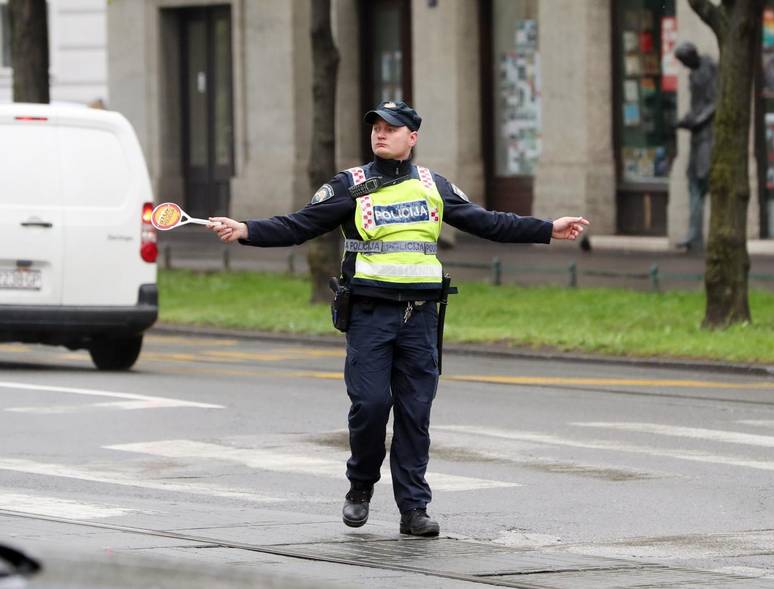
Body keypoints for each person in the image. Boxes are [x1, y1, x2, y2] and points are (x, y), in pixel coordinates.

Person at [208, 100, 588, 536]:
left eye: (392, 128)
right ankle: (360, 486)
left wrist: (546, 229)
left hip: (421, 317)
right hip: (369, 315)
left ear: (413, 137)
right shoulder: (352, 184)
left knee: (414, 413)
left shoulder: (432, 185)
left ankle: (414, 508)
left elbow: (487, 222)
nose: (380, 134)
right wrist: (246, 230)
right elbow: (299, 225)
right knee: (370, 406)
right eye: (375, 127)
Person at [674, 41, 718, 253]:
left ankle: (707, 235)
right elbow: (698, 105)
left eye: (685, 61)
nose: (685, 66)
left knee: (704, 181)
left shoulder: (708, 68)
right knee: (694, 182)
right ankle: (694, 234)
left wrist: (696, 120)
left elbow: (715, 102)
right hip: (698, 136)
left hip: (708, 137)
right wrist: (687, 119)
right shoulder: (693, 74)